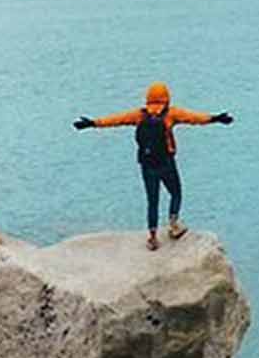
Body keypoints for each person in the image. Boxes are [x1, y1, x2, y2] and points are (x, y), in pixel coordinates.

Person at [74, 82, 235, 250]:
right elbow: (194, 118)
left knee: (152, 200)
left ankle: (152, 237)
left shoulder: (139, 115)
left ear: (148, 98)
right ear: (167, 98)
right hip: (166, 161)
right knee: (176, 192)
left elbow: (116, 119)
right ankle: (173, 224)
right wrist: (216, 118)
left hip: (147, 163)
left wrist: (92, 123)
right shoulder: (171, 113)